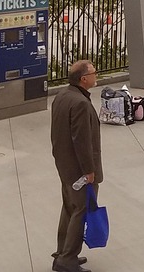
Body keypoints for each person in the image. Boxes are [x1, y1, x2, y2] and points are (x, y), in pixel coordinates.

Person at [49, 60, 102, 272]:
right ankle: (67, 259)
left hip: (64, 165)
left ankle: (62, 252)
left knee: (69, 208)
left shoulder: (62, 96)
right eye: (94, 73)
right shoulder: (80, 103)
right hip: (79, 169)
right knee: (81, 210)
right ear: (84, 79)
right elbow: (82, 140)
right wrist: (89, 170)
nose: (96, 75)